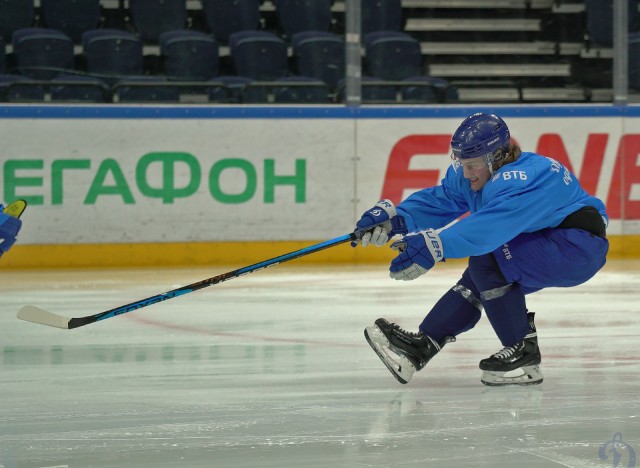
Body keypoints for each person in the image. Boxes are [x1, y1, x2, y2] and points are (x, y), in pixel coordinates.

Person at [354, 113, 608, 386]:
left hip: (577, 247)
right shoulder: (477, 173)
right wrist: (396, 219)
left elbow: (491, 228)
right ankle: (421, 347)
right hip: (548, 239)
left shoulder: (529, 177)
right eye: (462, 163)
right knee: (480, 277)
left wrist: (435, 245)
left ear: (496, 157)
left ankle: (522, 351)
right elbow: (442, 201)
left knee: (487, 261)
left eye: (472, 165)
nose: (466, 173)